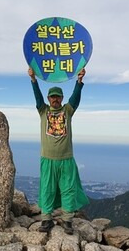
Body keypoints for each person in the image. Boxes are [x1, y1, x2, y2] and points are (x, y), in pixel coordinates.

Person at [28, 67, 90, 234]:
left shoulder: (67, 111)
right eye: (52, 96)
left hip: (66, 158)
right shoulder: (43, 111)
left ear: (62, 98)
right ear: (49, 98)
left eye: (58, 96)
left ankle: (67, 220)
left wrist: (79, 81)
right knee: (47, 189)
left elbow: (75, 99)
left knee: (68, 189)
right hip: (47, 158)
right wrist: (33, 80)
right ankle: (46, 220)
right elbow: (37, 97)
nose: (55, 99)